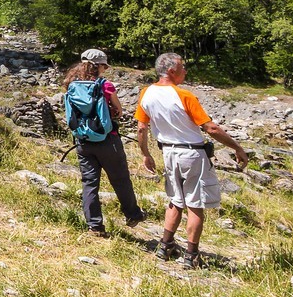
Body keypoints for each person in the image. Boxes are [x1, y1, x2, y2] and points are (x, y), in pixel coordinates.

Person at [135, 52, 248, 269]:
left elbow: (142, 128)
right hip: (192, 153)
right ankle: (191, 255)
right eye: (182, 67)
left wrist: (145, 154)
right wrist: (237, 148)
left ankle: (165, 245)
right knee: (195, 204)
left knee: (175, 199)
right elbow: (211, 128)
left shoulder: (145, 93)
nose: (185, 71)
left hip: (168, 153)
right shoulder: (184, 95)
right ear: (171, 70)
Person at [63, 47, 146, 236]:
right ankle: (133, 214)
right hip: (108, 140)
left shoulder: (71, 84)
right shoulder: (105, 85)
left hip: (83, 140)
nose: (105, 69)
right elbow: (119, 111)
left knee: (89, 183)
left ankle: (95, 226)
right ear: (98, 66)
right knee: (120, 179)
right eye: (104, 66)